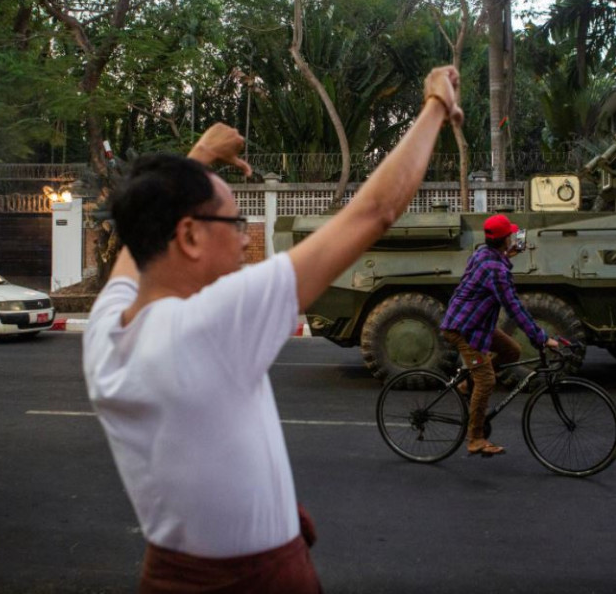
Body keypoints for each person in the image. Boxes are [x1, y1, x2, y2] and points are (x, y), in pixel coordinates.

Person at [82, 66, 462, 593]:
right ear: (189, 236)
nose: (244, 240)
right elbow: (375, 211)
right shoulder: (207, 325)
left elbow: (137, 243)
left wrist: (198, 157)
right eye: (236, 223)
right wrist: (435, 106)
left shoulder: (107, 330)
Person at [440, 214, 558, 456]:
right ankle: (475, 438)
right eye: (510, 235)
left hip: (477, 323)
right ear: (505, 239)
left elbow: (493, 267)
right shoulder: (496, 270)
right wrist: (541, 337)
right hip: (463, 328)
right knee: (487, 381)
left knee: (512, 351)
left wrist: (507, 255)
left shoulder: (484, 253)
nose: (513, 237)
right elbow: (514, 307)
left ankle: (466, 385)